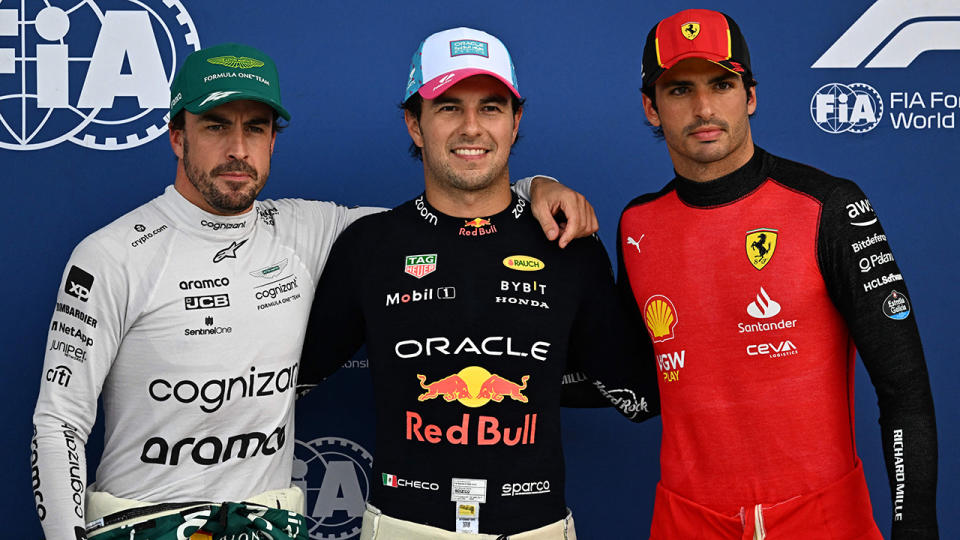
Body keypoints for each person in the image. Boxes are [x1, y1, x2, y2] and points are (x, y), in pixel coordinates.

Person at [30, 42, 599, 540]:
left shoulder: (306, 229)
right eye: (215, 126)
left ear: (274, 139)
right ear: (177, 135)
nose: (237, 149)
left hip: (269, 520)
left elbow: (458, 213)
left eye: (255, 128)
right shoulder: (110, 254)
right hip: (143, 521)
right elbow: (58, 423)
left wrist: (533, 185)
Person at [300, 27, 655, 540]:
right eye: (447, 107)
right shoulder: (369, 245)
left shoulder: (568, 244)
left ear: (516, 122)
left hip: (536, 527)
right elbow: (289, 380)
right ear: (414, 124)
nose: (471, 128)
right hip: (402, 525)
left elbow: (634, 396)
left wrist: (523, 377)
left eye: (490, 107)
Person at [618, 9, 939, 539]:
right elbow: (636, 386)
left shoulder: (829, 205)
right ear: (651, 108)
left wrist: (916, 528)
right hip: (687, 523)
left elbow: (904, 389)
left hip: (822, 520)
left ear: (750, 96)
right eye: (678, 90)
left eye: (722, 84)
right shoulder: (637, 225)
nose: (703, 108)